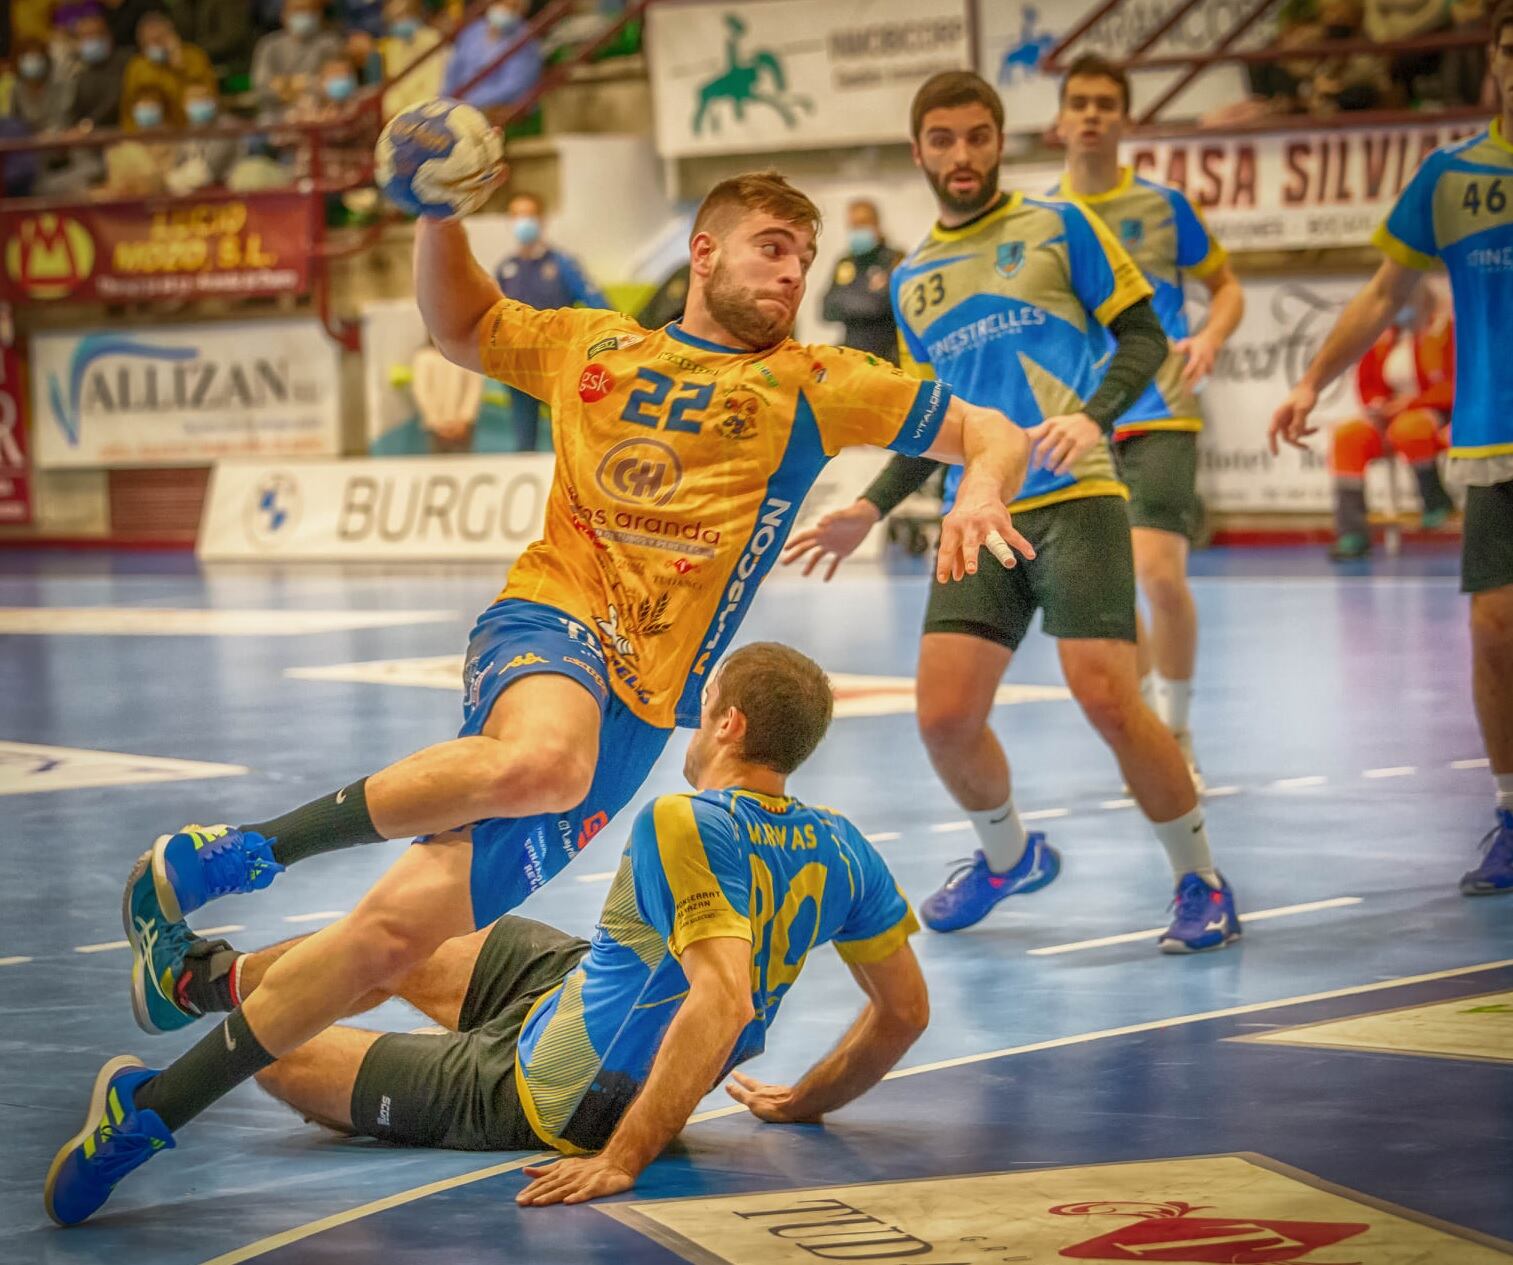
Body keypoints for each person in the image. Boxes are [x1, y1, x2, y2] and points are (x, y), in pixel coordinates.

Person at [45, 168, 1035, 1225]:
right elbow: (459, 321)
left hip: (643, 716)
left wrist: (979, 485)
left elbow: (992, 428)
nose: (791, 267)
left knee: (388, 940)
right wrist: (437, 215)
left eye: (803, 250)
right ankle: (227, 856)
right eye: (769, 245)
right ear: (704, 253)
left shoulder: (813, 382)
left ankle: (149, 1098)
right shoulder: (593, 347)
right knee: (541, 760)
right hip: (552, 620)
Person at [58, 644, 929, 1209]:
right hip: (582, 983)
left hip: (551, 1093)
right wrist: (806, 1098)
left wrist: (624, 1157)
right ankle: (194, 977)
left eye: (705, 711)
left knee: (284, 1051)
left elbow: (723, 998)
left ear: (731, 724)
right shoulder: (843, 843)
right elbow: (903, 1011)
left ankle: (174, 1056)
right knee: (394, 933)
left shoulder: (686, 819)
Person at [783, 71, 1241, 949]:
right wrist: (868, 509)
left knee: (1107, 698)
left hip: (1077, 498)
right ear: (919, 152)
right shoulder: (912, 280)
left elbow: (1144, 334)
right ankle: (1009, 858)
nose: (962, 154)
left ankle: (1199, 878)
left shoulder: (1061, 225)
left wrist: (1090, 415)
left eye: (977, 136)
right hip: (976, 517)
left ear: (999, 142)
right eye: (943, 139)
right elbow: (934, 426)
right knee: (943, 718)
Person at [1272, 0, 1513, 897]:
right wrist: (1310, 381)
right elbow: (1380, 296)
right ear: (1491, 61)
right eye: (1510, 50)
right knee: (1494, 635)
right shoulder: (1449, 177)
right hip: (1493, 439)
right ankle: (1510, 813)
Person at [1048, 54, 1246, 783]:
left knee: (1159, 573)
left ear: (1124, 118)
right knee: (1107, 587)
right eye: (1080, 102)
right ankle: (1148, 722)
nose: (1092, 114)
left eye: (1105, 102)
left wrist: (1212, 334)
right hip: (1077, 421)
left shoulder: (1164, 206)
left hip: (1160, 406)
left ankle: (1180, 727)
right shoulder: (1045, 218)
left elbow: (1226, 288)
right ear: (1061, 120)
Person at [1327, 281, 1454, 560]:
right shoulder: (1383, 338)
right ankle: (1352, 532)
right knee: (1348, 436)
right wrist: (1378, 405)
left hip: (1435, 414)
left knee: (1410, 429)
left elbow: (1453, 386)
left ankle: (1435, 500)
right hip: (1389, 416)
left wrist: (1410, 404)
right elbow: (1367, 382)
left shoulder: (1444, 332)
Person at [491, 190, 612, 452]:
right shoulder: (505, 268)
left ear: (541, 220)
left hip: (559, 364)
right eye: (516, 216)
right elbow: (493, 316)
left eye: (529, 215)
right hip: (519, 367)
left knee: (569, 439)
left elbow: (598, 304)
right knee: (524, 442)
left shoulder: (562, 264)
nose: (522, 222)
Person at [821, 198, 905, 362]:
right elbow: (827, 309)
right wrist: (868, 297)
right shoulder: (845, 263)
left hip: (888, 356)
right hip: (852, 355)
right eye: (853, 225)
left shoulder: (894, 259)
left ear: (876, 224)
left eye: (863, 223)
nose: (858, 230)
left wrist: (850, 299)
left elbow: (885, 305)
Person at [250, 0, 344, 120]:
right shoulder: (268, 46)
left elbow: (332, 87)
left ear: (319, 14)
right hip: (275, 119)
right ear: (283, 14)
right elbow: (261, 88)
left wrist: (285, 85)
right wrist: (304, 84)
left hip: (319, 117)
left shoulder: (330, 44)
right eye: (298, 10)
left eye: (310, 10)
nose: (304, 14)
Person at [442, 0, 541, 112]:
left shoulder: (525, 41)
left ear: (522, 11)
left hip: (493, 108)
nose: (504, 9)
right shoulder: (474, 30)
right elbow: (454, 69)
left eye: (513, 6)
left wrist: (470, 102)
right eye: (501, 3)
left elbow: (513, 87)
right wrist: (446, 98)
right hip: (457, 103)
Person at [121, 11, 214, 129]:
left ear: (172, 35)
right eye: (150, 41)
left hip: (194, 129)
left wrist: (179, 65)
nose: (155, 45)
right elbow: (129, 109)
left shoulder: (194, 56)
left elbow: (207, 93)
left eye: (160, 39)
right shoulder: (137, 66)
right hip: (152, 134)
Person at [67, 8, 130, 130]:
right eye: (85, 37)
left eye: (95, 34)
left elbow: (114, 100)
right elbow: (74, 109)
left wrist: (88, 125)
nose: (91, 41)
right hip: (88, 136)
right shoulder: (80, 69)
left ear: (108, 36)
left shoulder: (125, 62)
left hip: (119, 131)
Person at [380, 0, 443, 118]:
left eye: (404, 15)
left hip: (427, 111)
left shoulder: (433, 40)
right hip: (400, 114)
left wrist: (413, 113)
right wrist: (393, 112)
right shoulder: (393, 46)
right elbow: (393, 86)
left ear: (415, 15)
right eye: (395, 18)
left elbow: (434, 84)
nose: (400, 22)